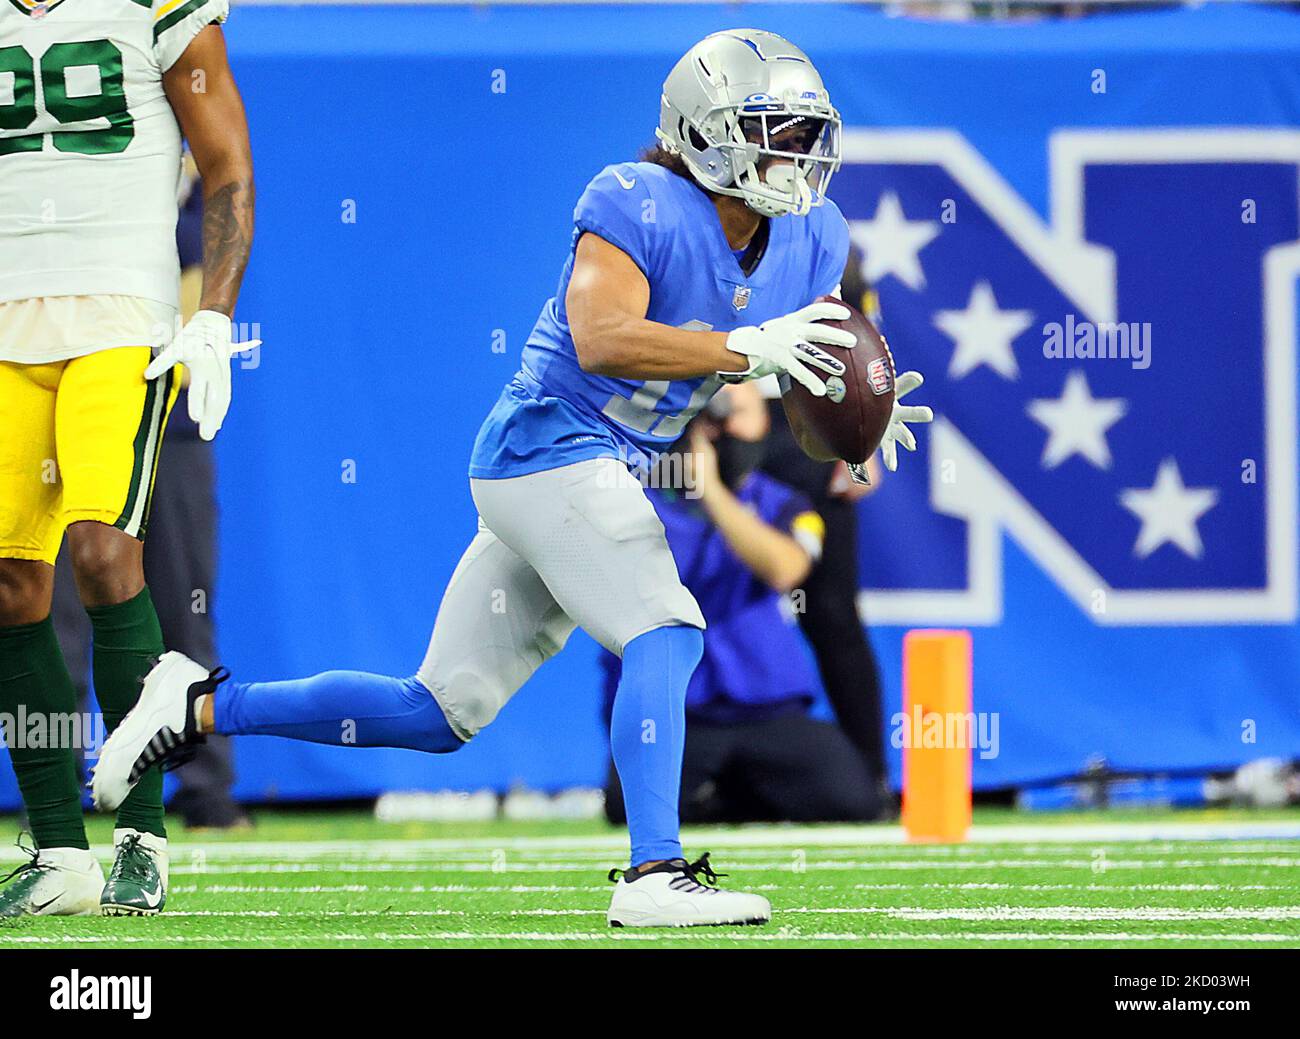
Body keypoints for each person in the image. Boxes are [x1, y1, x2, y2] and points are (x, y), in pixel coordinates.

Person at [92, 28, 931, 928]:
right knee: (665, 627)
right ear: (703, 130)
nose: (793, 154)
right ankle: (654, 871)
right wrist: (740, 348)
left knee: (437, 711)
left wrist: (846, 429)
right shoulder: (637, 199)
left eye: (804, 134)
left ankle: (200, 702)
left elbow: (808, 393)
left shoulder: (815, 240)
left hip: (594, 468)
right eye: (771, 128)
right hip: (547, 446)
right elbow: (601, 335)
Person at [0, 2, 255, 917]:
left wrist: (214, 318)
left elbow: (224, 160)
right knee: (10, 583)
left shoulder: (154, 3)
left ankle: (142, 835)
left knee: (105, 554)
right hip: (5, 329)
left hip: (120, 321)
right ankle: (60, 853)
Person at [601, 384, 883, 824]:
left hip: (767, 713)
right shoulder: (644, 501)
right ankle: (724, 796)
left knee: (853, 800)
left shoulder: (785, 503)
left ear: (766, 423)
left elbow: (786, 569)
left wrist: (712, 491)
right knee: (627, 807)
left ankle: (737, 794)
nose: (728, 426)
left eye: (741, 412)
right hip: (682, 715)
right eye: (715, 412)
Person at [760, 248, 892, 801]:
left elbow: (862, 348)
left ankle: (869, 780)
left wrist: (864, 446)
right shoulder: (704, 230)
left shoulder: (823, 243)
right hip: (718, 423)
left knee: (832, 614)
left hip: (810, 424)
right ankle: (681, 775)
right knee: (696, 604)